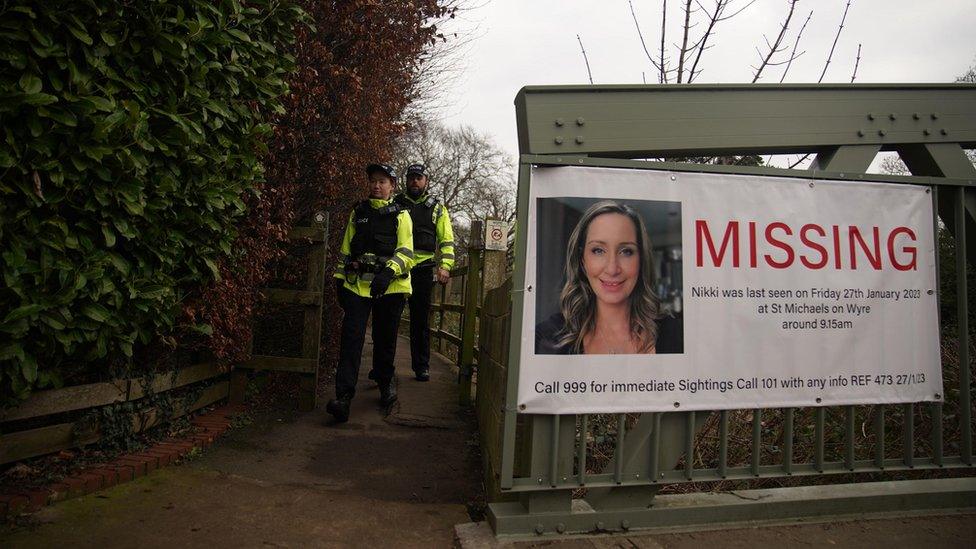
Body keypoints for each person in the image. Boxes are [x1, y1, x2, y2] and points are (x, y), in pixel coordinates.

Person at [535, 200, 682, 355]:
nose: (612, 269)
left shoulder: (675, 333)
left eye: (626, 251)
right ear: (582, 260)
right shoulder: (547, 338)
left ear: (641, 260)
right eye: (598, 250)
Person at [328, 163, 414, 423]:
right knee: (351, 340)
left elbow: (406, 252)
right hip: (358, 286)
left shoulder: (401, 215)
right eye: (373, 181)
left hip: (391, 287)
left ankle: (386, 382)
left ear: (392, 187)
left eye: (383, 182)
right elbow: (345, 250)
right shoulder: (358, 213)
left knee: (385, 338)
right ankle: (343, 398)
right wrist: (339, 280)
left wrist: (387, 274)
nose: (377, 186)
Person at [393, 163, 455, 381]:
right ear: (406, 180)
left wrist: (445, 266)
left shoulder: (437, 208)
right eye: (411, 177)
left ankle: (421, 366)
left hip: (423, 270)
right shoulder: (395, 204)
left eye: (419, 178)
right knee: (390, 319)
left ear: (426, 180)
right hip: (397, 270)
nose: (415, 182)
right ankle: (385, 368)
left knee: (420, 321)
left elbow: (446, 240)